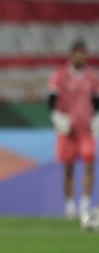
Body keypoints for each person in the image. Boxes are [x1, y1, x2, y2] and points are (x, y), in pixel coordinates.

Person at [48, 40, 99, 222]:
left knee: (90, 164)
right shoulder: (61, 76)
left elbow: (96, 100)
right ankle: (69, 207)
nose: (81, 57)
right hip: (68, 130)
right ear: (71, 55)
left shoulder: (92, 77)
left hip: (86, 129)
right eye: (78, 53)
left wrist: (97, 118)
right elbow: (52, 99)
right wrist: (56, 117)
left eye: (84, 53)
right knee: (68, 169)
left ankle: (84, 205)